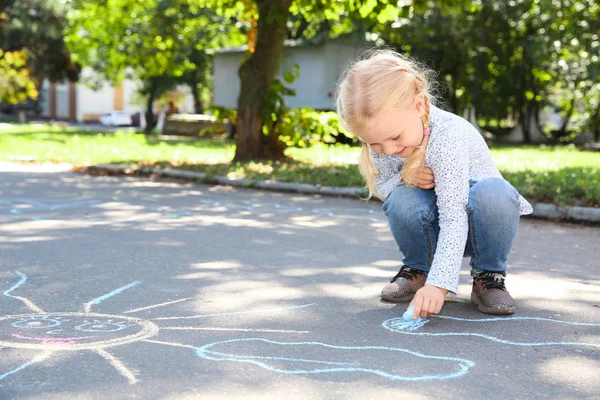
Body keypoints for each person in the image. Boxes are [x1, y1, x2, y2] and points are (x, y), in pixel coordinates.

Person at [335, 49, 533, 320]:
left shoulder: (448, 138)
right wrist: (406, 177)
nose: (388, 149)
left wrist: (439, 287)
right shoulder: (383, 134)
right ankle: (418, 269)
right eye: (374, 143)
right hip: (434, 229)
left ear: (418, 106)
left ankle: (489, 275)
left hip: (479, 226)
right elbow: (382, 186)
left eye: (395, 138)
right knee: (401, 197)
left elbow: (455, 217)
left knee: (495, 193)